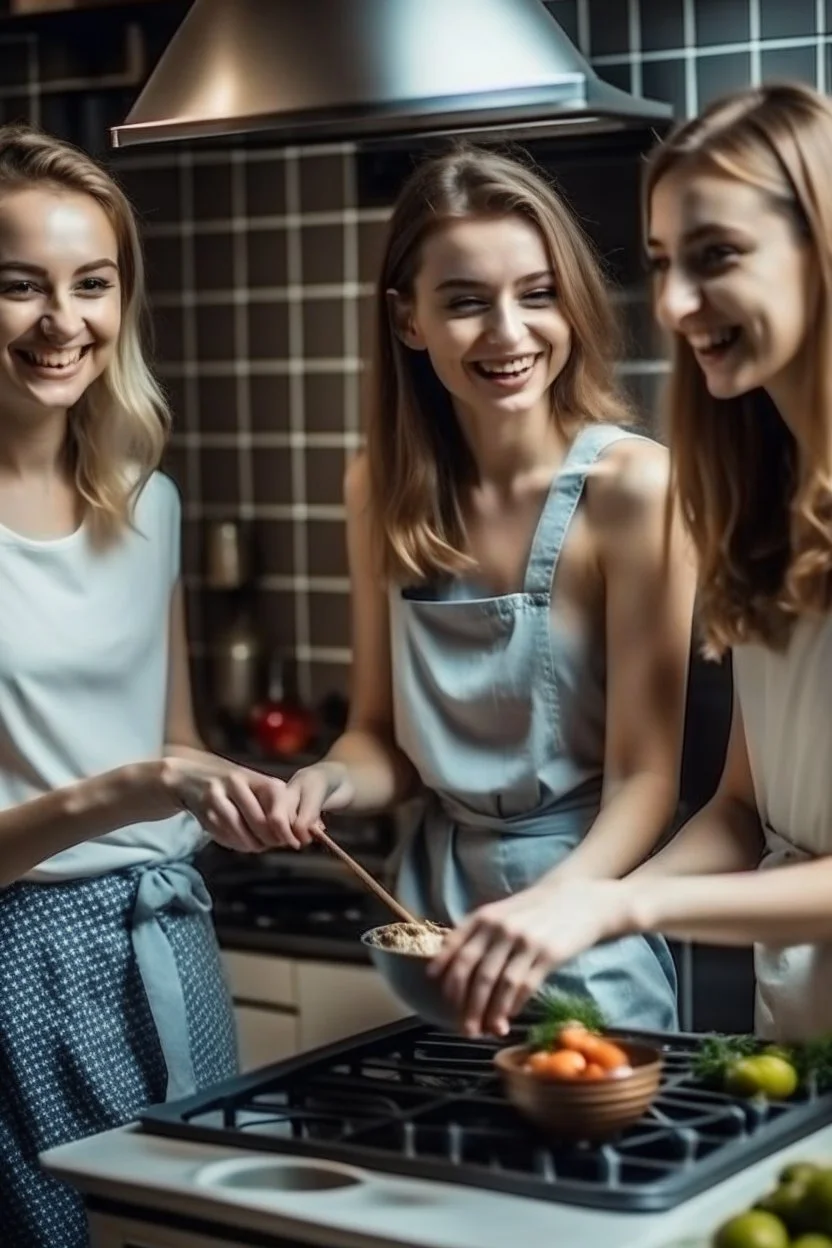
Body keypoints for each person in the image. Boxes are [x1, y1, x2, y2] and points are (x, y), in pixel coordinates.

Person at [431, 82, 832, 1044]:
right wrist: (571, 920)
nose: (675, 303)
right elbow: (744, 808)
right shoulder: (763, 506)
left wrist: (619, 908)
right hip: (803, 1029)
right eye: (660, 263)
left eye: (717, 256)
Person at [269, 145, 697, 1035]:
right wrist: (325, 783)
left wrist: (549, 915)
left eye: (537, 295)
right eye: (466, 302)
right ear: (409, 320)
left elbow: (646, 781)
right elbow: (378, 739)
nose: (509, 332)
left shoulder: (635, 489)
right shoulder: (377, 488)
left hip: (583, 915)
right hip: (428, 928)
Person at [0, 125, 292, 1248]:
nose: (61, 321)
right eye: (19, 286)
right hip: (16, 966)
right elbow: (136, 775)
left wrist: (246, 791)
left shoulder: (147, 501)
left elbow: (174, 741)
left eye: (92, 284)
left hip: (167, 942)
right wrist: (131, 791)